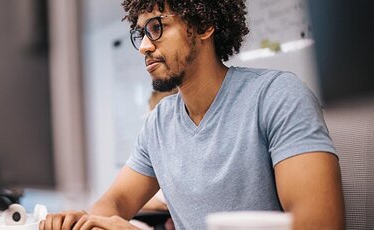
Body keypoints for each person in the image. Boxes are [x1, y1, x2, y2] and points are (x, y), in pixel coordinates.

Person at [41, 0, 344, 229]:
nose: (144, 47)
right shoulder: (159, 123)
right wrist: (83, 220)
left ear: (204, 25)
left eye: (157, 27)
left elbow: (319, 225)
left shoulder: (277, 96)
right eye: (140, 33)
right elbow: (116, 202)